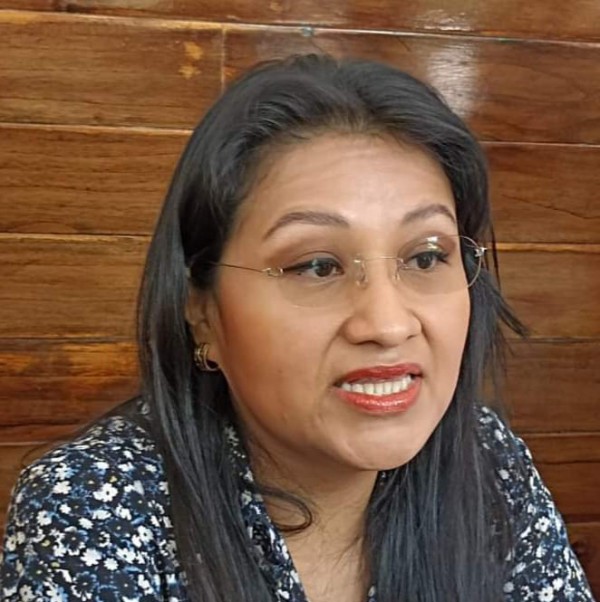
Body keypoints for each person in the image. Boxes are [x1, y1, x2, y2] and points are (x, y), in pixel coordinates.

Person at [0, 54, 594, 602]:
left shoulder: (486, 459)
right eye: (316, 266)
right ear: (201, 312)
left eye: (425, 257)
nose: (388, 324)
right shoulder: (94, 505)